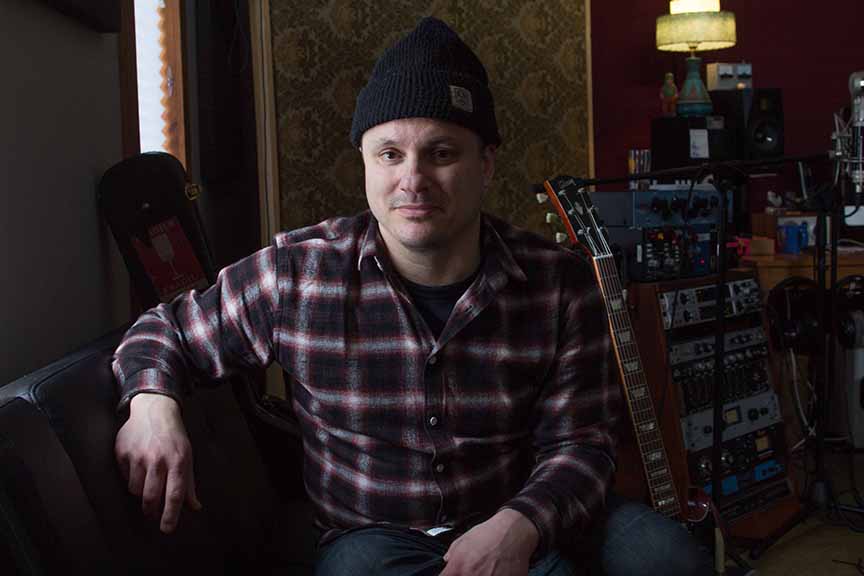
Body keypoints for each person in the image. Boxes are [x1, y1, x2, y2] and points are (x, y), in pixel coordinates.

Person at [113, 16, 718, 576]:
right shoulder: (297, 274)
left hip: (526, 515)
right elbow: (161, 331)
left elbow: (582, 444)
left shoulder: (560, 284)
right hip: (373, 538)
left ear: (485, 165)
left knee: (668, 556)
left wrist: (521, 526)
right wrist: (151, 405)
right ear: (366, 167)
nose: (413, 180)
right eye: (390, 154)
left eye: (442, 153)